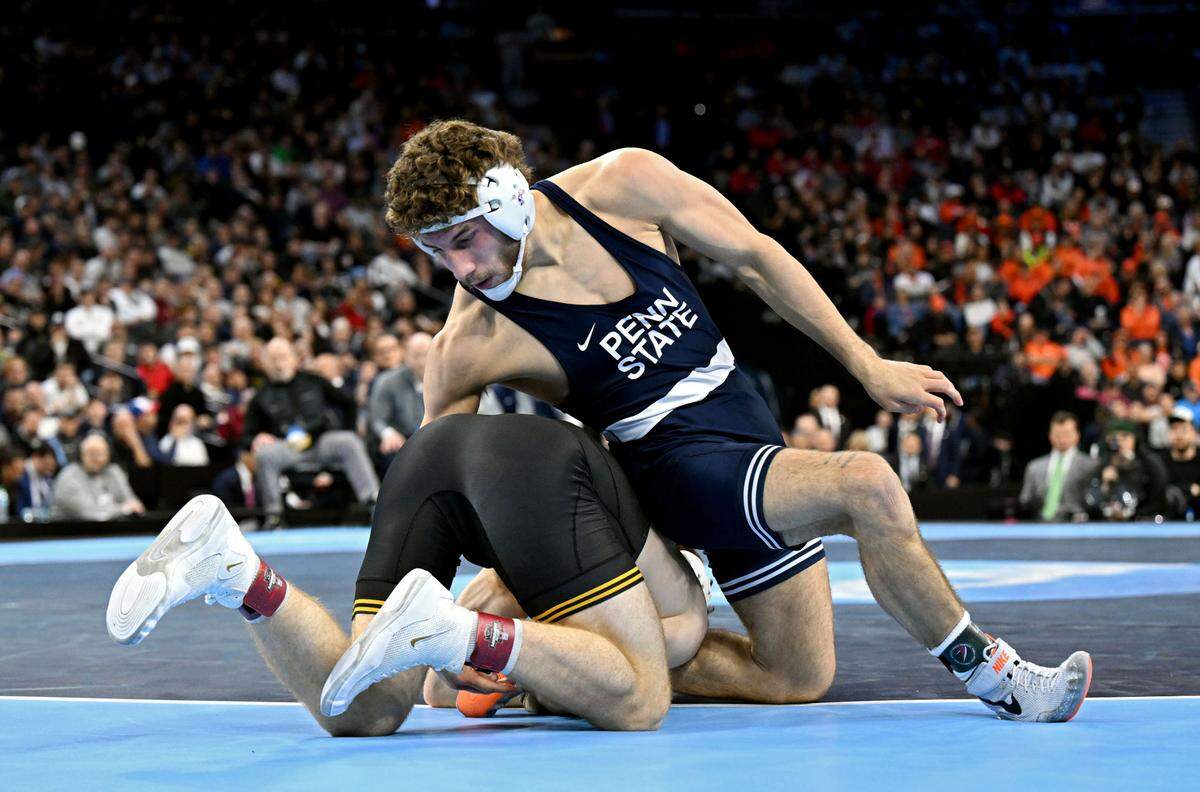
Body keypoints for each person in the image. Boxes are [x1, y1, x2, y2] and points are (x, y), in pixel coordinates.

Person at [386, 120, 1091, 721]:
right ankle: (997, 677)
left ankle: (556, 671)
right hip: (667, 466)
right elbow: (443, 495)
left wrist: (867, 365)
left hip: (744, 427)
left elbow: (755, 255)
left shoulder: (625, 184)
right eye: (435, 250)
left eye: (464, 238)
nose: (457, 266)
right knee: (866, 485)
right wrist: (507, 565)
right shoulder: (469, 343)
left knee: (796, 676)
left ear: (508, 200)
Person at [106, 414, 708, 734]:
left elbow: (438, 691)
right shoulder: (677, 590)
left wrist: (498, 663)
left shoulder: (515, 580)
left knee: (364, 712)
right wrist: (527, 677)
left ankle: (241, 576)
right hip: (536, 468)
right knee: (640, 699)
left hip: (425, 456)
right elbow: (647, 665)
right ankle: (459, 629)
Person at [244, 337, 380, 523]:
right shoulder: (260, 396)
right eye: (273, 359)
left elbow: (348, 402)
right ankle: (273, 516)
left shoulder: (314, 380)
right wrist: (257, 437)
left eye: (283, 357)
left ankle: (373, 502)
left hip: (321, 441)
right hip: (287, 447)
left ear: (293, 358)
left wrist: (349, 429)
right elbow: (247, 435)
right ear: (265, 363)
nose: (278, 363)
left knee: (349, 441)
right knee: (265, 455)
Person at [1019, 412, 1099, 521]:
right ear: (1050, 436)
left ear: (1077, 435)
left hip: (1076, 526)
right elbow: (1025, 500)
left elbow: (1094, 499)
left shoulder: (1091, 465)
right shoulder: (1034, 467)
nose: (1062, 439)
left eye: (1067, 433)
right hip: (1040, 525)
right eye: (1057, 434)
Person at [51, 433, 145, 520]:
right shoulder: (68, 476)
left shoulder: (114, 471)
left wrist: (128, 507)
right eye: (90, 453)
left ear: (108, 455)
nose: (95, 458)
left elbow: (134, 504)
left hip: (111, 532)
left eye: (100, 453)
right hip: (71, 533)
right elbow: (89, 513)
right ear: (81, 455)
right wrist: (123, 509)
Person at [1157, 407, 1200, 518]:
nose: (1179, 435)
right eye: (1174, 429)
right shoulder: (1159, 461)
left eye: (1184, 430)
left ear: (1194, 433)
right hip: (1169, 524)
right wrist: (1190, 489)